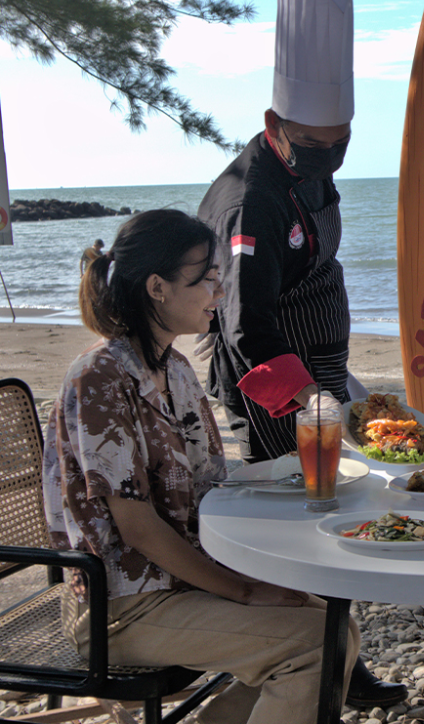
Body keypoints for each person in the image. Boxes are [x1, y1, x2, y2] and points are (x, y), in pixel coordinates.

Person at [43, 209, 361, 724]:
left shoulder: (173, 368)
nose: (219, 292)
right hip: (122, 606)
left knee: (338, 626)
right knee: (315, 647)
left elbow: (211, 487)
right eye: (207, 279)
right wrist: (243, 589)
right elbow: (138, 527)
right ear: (157, 287)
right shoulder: (100, 378)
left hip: (176, 580)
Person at [197, 0, 405, 709]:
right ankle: (308, 665)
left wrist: (344, 385)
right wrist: (313, 399)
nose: (328, 153)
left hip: (320, 367)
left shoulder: (312, 168)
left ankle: (337, 660)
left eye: (340, 140)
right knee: (301, 523)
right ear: (273, 127)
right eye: (314, 142)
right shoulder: (251, 202)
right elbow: (246, 326)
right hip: (268, 379)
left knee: (332, 515)